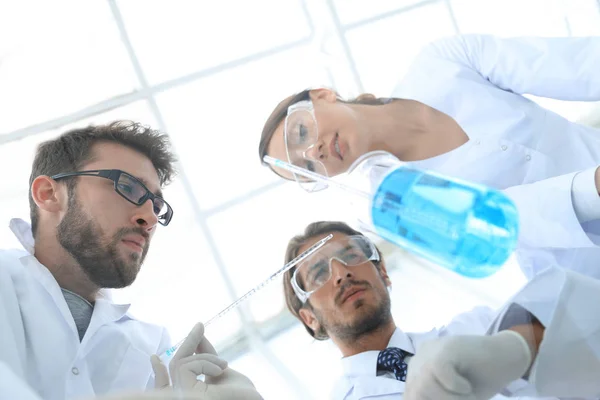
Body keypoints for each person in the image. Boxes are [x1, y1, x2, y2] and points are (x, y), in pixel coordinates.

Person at [259, 34, 600, 281]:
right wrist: (593, 187)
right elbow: (496, 225)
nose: (313, 153)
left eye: (300, 133)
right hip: (585, 271)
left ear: (323, 95)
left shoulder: (441, 62)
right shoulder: (387, 201)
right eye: (307, 169)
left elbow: (578, 65)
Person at [0, 121, 259, 400]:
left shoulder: (153, 347)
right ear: (49, 194)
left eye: (156, 206)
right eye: (128, 187)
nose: (149, 218)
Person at [282, 220, 600, 399]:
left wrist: (519, 345)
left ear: (383, 274)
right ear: (310, 319)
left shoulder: (475, 329)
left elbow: (577, 316)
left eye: (352, 255)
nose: (342, 273)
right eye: (319, 274)